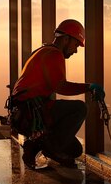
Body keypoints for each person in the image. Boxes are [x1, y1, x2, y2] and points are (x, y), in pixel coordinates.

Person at [11, 19, 104, 168]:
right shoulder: (54, 54)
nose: (75, 50)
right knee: (80, 109)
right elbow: (61, 87)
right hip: (31, 113)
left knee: (75, 150)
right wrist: (89, 87)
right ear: (66, 39)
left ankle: (35, 146)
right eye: (75, 45)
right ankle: (49, 148)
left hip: (26, 113)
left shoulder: (44, 51)